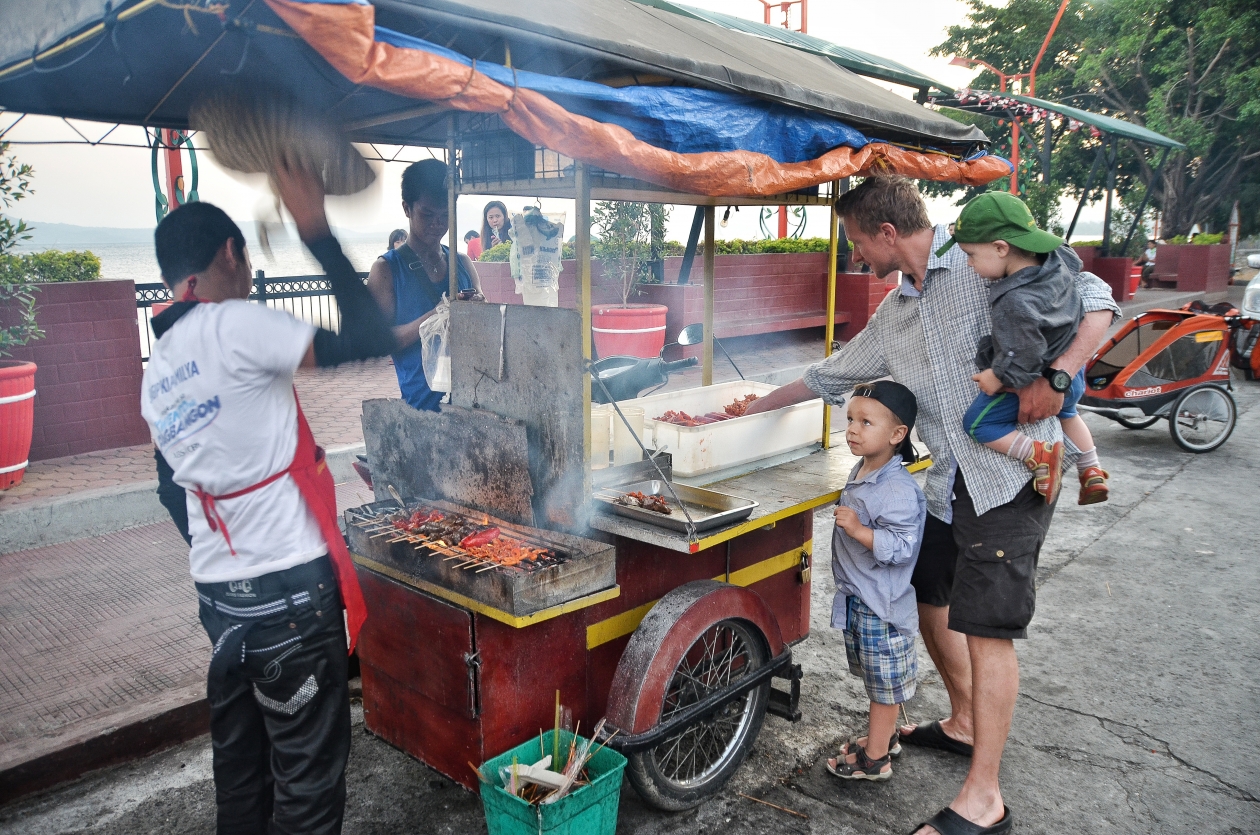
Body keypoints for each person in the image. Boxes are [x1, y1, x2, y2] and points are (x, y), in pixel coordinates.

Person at [744, 176, 1119, 835]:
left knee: (988, 629)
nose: (856, 254)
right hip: (950, 480)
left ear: (888, 233)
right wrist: (746, 406)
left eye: (859, 241)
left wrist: (1060, 380)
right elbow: (828, 372)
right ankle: (965, 718)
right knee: (928, 592)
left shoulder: (983, 257)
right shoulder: (894, 316)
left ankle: (984, 799)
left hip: (1013, 473)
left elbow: (1098, 299)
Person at [143, 159, 396, 834]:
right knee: (308, 791)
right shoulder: (236, 325)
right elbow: (370, 340)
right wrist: (314, 227)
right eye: (247, 260)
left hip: (219, 601)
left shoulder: (159, 367)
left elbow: (174, 491)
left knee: (244, 778)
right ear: (232, 252)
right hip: (288, 598)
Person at [942, 192, 1109, 505]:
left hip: (1041, 372)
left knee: (978, 423)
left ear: (1001, 248)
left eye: (971, 254)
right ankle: (1091, 469)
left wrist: (997, 377)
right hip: (1072, 374)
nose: (968, 262)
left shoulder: (1014, 302)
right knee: (1070, 413)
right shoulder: (1058, 258)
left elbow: (1025, 354)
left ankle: (1040, 455)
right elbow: (1075, 261)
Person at [823, 381, 926, 783]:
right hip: (862, 597)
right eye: (850, 419)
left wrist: (861, 531)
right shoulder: (867, 466)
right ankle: (885, 738)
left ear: (897, 435)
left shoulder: (897, 489)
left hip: (881, 605)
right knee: (877, 677)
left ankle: (875, 757)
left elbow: (902, 547)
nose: (852, 429)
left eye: (866, 422)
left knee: (882, 686)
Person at [367, 159, 484, 411]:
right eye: (427, 214)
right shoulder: (386, 270)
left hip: (472, 401)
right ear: (407, 208)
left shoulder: (462, 262)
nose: (437, 223)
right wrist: (437, 315)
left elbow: (484, 325)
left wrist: (478, 309)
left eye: (446, 215)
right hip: (421, 408)